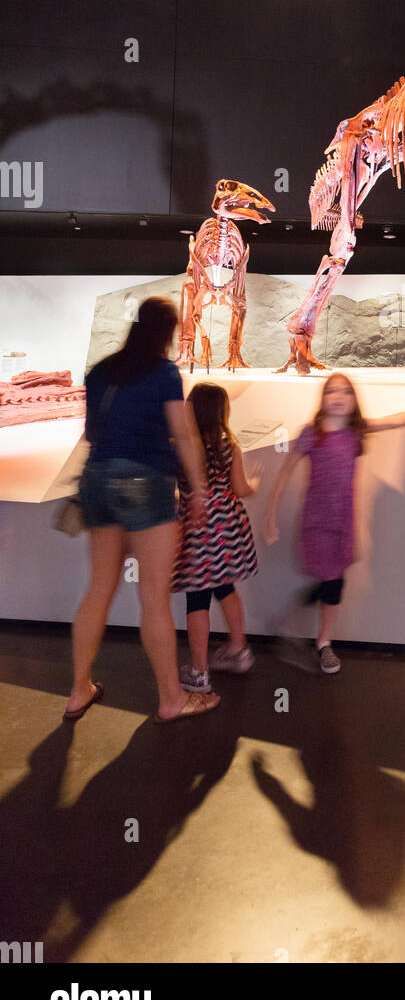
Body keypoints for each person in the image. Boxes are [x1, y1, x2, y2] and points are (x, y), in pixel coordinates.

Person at [66, 297, 219, 723]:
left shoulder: (100, 372)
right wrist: (200, 490)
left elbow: (90, 432)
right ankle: (172, 699)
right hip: (145, 483)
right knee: (152, 598)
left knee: (98, 589)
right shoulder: (164, 373)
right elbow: (184, 436)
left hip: (96, 480)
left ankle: (79, 690)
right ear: (168, 332)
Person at [264, 373, 405, 674]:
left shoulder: (356, 431)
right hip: (316, 521)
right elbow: (284, 474)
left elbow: (399, 421)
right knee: (329, 579)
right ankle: (300, 628)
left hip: (343, 520)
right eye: (331, 391)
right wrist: (270, 517)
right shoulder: (310, 433)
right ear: (323, 398)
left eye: (345, 392)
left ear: (354, 400)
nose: (339, 397)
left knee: (335, 582)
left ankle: (320, 641)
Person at [173, 383, 260, 693]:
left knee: (197, 597)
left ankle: (199, 672)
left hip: (196, 527)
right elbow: (240, 488)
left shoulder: (180, 446)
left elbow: (174, 486)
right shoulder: (228, 444)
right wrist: (256, 484)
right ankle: (239, 650)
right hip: (228, 528)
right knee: (225, 586)